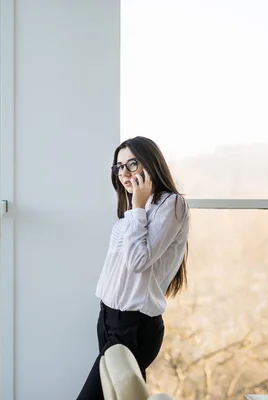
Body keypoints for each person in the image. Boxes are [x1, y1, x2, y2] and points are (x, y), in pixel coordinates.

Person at [76, 136, 190, 400]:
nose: (124, 173)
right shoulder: (134, 208)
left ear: (150, 164)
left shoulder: (171, 204)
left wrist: (137, 207)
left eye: (132, 164)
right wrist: (136, 207)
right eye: (119, 167)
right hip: (108, 319)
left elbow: (138, 262)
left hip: (133, 326)